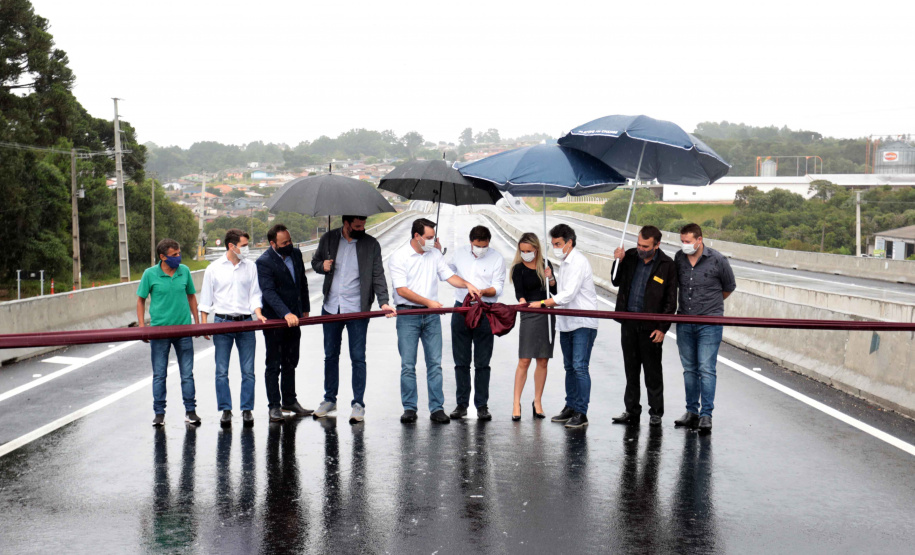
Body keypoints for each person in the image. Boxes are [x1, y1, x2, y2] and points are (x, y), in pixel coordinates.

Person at [389, 218, 481, 424]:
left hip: (431, 316)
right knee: (408, 364)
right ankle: (410, 408)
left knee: (435, 364)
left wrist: (467, 285)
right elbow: (401, 290)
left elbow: (449, 276)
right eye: (429, 238)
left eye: (433, 237)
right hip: (407, 315)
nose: (432, 241)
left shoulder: (435, 254)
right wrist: (428, 302)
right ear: (416, 236)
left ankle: (436, 408)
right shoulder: (399, 257)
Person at [310, 215, 396, 424]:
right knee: (330, 355)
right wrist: (324, 266)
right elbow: (315, 262)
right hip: (331, 307)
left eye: (364, 224)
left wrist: (383, 301)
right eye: (357, 225)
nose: (361, 228)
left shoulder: (371, 244)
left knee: (358, 357)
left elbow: (378, 275)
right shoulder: (329, 239)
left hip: (357, 310)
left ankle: (358, 404)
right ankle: (329, 400)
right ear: (346, 223)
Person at [529, 224, 598, 429]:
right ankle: (570, 406)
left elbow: (568, 295)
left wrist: (542, 303)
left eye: (558, 244)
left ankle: (581, 412)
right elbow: (560, 290)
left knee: (579, 367)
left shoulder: (578, 262)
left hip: (583, 323)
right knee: (569, 367)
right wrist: (551, 278)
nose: (555, 248)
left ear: (569, 242)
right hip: (566, 322)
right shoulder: (564, 262)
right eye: (553, 244)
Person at [198, 229, 267, 428]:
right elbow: (206, 299)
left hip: (246, 322)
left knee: (248, 371)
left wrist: (259, 313)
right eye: (244, 245)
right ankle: (226, 410)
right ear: (231, 246)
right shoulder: (213, 268)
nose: (247, 249)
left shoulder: (251, 267)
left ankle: (247, 410)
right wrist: (204, 324)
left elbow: (255, 294)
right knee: (221, 370)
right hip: (222, 323)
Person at [610, 225, 678, 427]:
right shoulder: (630, 256)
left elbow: (670, 301)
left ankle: (656, 412)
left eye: (646, 246)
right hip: (629, 323)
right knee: (631, 370)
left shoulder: (667, 265)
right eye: (639, 244)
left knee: (652, 371)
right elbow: (615, 280)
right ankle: (631, 410)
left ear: (657, 245)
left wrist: (662, 328)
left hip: (651, 328)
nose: (641, 249)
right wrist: (617, 260)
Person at [673, 223, 736, 433]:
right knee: (689, 369)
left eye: (688, 241)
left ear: (699, 240)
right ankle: (692, 411)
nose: (685, 245)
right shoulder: (679, 258)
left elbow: (729, 287)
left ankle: (706, 415)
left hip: (709, 322)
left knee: (706, 369)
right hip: (684, 321)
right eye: (682, 241)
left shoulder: (718, 260)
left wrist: (710, 305)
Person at [137, 238, 201, 426]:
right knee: (159, 374)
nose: (178, 257)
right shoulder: (150, 274)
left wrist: (197, 322)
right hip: (159, 331)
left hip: (183, 330)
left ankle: (190, 411)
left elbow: (191, 296)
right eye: (174, 255)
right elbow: (140, 300)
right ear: (162, 257)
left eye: (179, 253)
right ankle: (159, 413)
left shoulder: (185, 271)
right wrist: (142, 327)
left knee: (187, 373)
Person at [447, 225, 506, 421]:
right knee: (461, 362)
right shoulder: (458, 254)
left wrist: (483, 291)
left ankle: (482, 406)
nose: (481, 249)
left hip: (485, 311)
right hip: (461, 309)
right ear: (470, 241)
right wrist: (438, 253)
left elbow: (497, 288)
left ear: (489, 242)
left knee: (482, 363)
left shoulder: (497, 258)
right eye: (478, 246)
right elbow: (446, 273)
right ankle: (461, 405)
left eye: (485, 246)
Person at [256, 224, 313, 423]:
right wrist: (285, 313)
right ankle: (274, 406)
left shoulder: (296, 255)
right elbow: (268, 292)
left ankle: (290, 400)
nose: (289, 245)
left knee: (291, 360)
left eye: (289, 240)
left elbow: (302, 282)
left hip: (295, 318)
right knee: (273, 363)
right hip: (274, 319)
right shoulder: (264, 262)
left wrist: (304, 308)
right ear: (273, 244)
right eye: (284, 243)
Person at [511, 232, 556, 421]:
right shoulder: (518, 268)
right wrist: (522, 301)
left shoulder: (546, 264)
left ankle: (537, 401)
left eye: (529, 250)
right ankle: (516, 403)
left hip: (546, 313)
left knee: (543, 360)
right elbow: (519, 292)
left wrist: (551, 277)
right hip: (529, 313)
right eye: (522, 251)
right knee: (524, 360)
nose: (525, 254)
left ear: (536, 249)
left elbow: (554, 290)